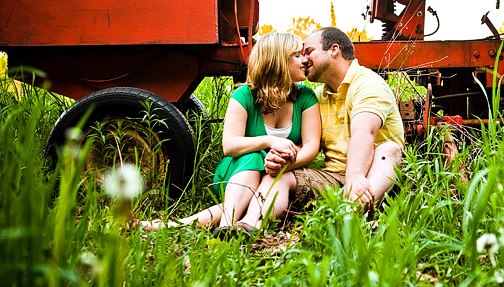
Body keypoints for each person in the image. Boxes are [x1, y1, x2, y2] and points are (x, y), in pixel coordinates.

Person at [138, 32, 320, 232]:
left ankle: (180, 227)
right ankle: (227, 226)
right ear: (277, 60)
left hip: (276, 176)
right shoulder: (244, 96)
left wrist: (287, 163)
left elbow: (311, 145)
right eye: (296, 55)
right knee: (254, 156)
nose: (304, 60)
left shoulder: (305, 97)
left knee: (247, 200)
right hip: (238, 173)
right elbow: (230, 146)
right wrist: (269, 142)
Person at [263, 27, 404, 213]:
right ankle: (252, 227)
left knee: (389, 150)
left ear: (333, 50)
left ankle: (351, 217)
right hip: (334, 177)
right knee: (279, 177)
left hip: (374, 174)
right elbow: (308, 144)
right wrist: (283, 159)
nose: (304, 59)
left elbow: (364, 132)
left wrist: (355, 177)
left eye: (310, 51)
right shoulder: (317, 96)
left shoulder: (368, 83)